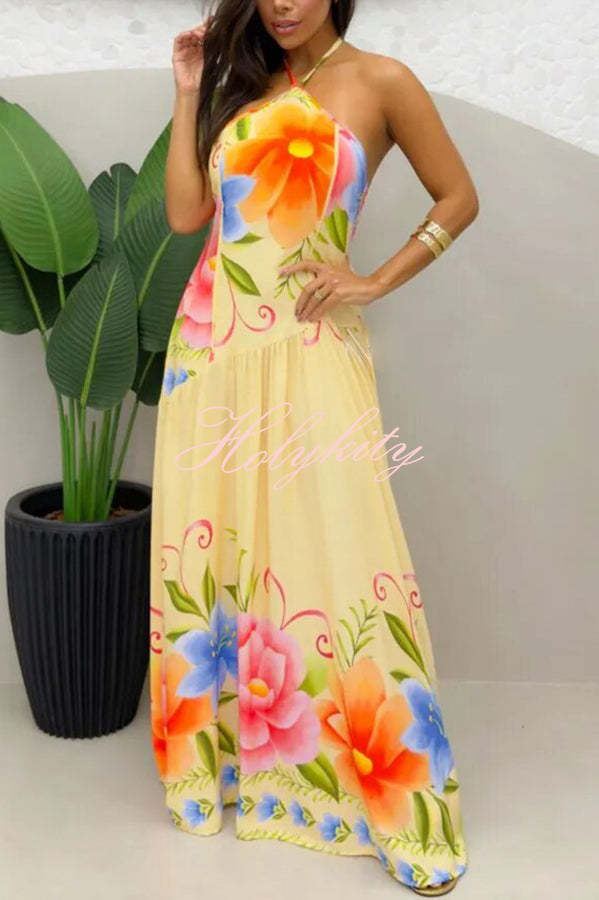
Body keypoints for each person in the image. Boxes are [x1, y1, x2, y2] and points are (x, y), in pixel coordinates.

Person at [150, 1, 478, 895]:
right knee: (213, 553)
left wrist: (372, 280)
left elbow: (459, 196)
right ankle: (221, 769)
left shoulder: (380, 82)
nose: (283, 4)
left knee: (340, 550)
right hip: (209, 349)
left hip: (309, 343)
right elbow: (185, 216)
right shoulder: (245, 85)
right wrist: (190, 92)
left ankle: (395, 801)